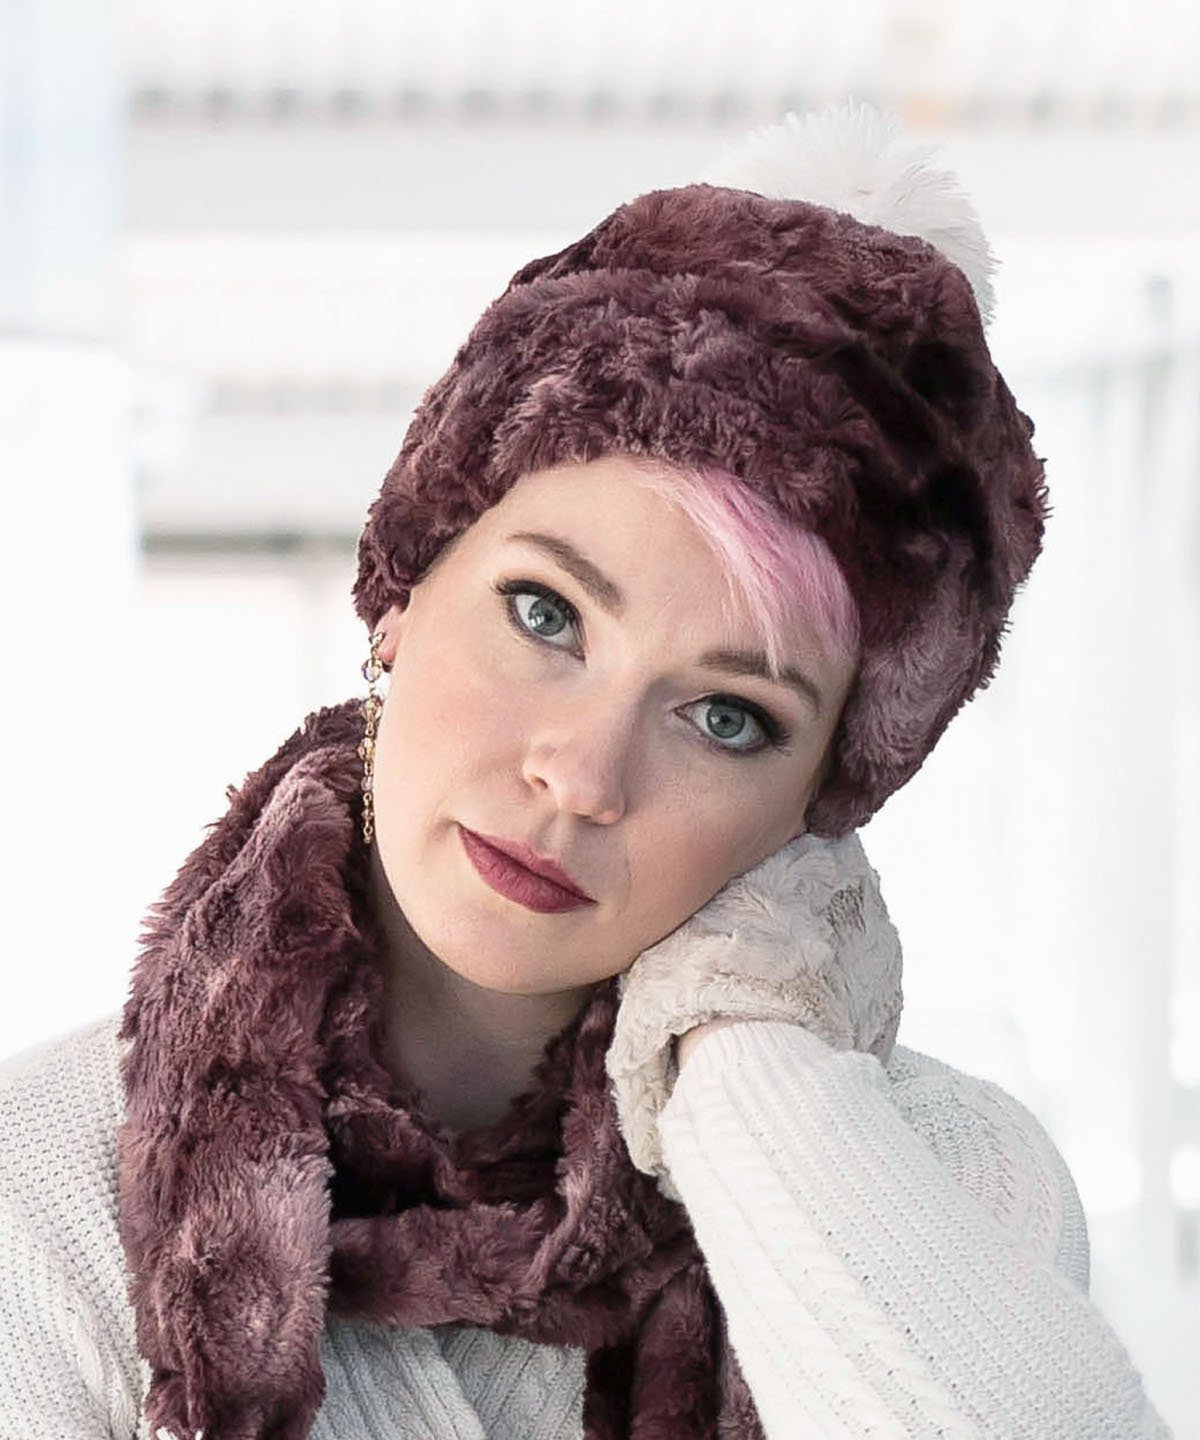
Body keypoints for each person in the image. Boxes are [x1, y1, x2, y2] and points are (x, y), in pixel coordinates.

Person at [0, 99, 1173, 1440]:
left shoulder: (952, 1182)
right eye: (547, 615)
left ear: (819, 805)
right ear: (400, 589)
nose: (583, 775)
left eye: (729, 718)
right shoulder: (41, 1195)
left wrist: (746, 1070)